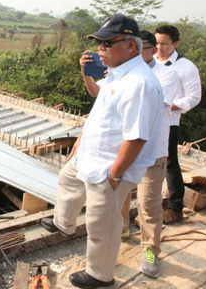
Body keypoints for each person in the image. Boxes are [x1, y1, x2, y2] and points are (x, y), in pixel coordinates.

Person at [41, 14, 163, 288]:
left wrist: (114, 174)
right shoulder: (118, 73)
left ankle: (100, 275)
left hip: (110, 166)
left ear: (131, 46)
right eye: (99, 43)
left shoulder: (139, 84)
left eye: (108, 43)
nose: (101, 49)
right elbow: (102, 110)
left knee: (102, 225)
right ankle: (64, 223)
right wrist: (82, 138)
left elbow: (136, 137)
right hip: (91, 154)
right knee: (67, 180)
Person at [77, 30, 181, 278]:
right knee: (118, 202)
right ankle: (120, 233)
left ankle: (149, 250)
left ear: (132, 47)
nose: (152, 50)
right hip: (120, 153)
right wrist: (86, 72)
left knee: (148, 203)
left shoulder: (161, 76)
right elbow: (97, 94)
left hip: (150, 154)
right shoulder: (119, 72)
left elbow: (139, 129)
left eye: (151, 46)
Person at [154, 25, 202, 224]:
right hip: (146, 121)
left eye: (164, 44)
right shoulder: (150, 63)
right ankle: (152, 203)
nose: (159, 48)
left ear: (175, 44)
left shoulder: (185, 67)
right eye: (156, 43)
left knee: (170, 164)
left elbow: (194, 97)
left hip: (169, 121)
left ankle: (175, 208)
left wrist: (170, 106)